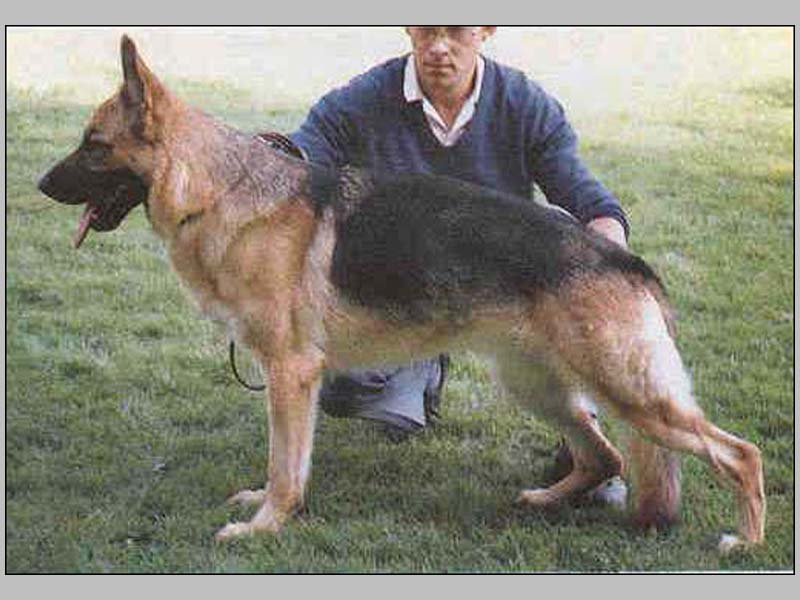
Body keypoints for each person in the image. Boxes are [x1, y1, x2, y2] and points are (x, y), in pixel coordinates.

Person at [288, 28, 628, 487]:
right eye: (427, 29)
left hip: (506, 291)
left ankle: (589, 451)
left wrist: (607, 287)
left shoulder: (525, 104)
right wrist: (259, 157)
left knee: (570, 323)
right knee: (343, 387)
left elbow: (591, 204)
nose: (438, 47)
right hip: (399, 291)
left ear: (486, 28)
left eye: (456, 30)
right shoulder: (362, 99)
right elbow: (298, 156)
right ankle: (421, 366)